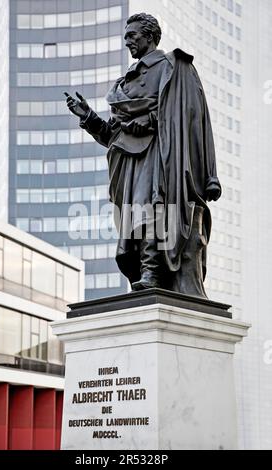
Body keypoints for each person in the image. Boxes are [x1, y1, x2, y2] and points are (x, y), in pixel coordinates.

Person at [65, 13, 221, 297]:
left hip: (161, 155)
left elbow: (194, 118)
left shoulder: (172, 67)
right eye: (125, 37)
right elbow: (114, 135)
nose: (127, 43)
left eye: (132, 36)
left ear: (149, 36)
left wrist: (152, 120)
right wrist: (88, 117)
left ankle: (151, 273)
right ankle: (147, 273)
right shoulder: (125, 83)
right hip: (129, 162)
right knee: (137, 215)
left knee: (151, 209)